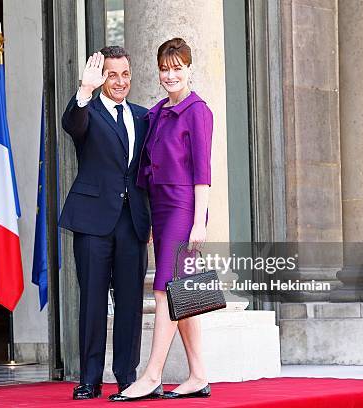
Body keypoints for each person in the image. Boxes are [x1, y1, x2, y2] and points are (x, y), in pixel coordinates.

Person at [109, 38, 213, 402]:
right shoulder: (156, 113)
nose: (170, 75)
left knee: (165, 288)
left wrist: (199, 221)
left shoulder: (197, 111)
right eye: (165, 69)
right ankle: (198, 374)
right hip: (162, 209)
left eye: (177, 68)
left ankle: (152, 375)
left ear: (189, 69)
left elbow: (203, 173)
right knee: (182, 291)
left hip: (185, 210)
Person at [60, 46, 151, 400]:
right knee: (93, 301)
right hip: (93, 222)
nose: (120, 81)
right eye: (112, 75)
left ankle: (127, 377)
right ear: (101, 79)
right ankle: (89, 379)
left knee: (130, 302)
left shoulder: (144, 117)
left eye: (125, 74)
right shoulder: (88, 111)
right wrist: (84, 90)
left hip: (132, 222)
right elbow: (72, 124)